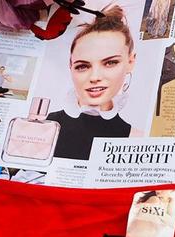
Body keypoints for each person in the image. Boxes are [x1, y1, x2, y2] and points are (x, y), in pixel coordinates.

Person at [47, 6, 139, 160]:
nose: (95, 77)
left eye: (110, 63)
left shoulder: (135, 139)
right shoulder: (46, 126)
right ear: (71, 66)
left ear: (130, 62)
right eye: (82, 66)